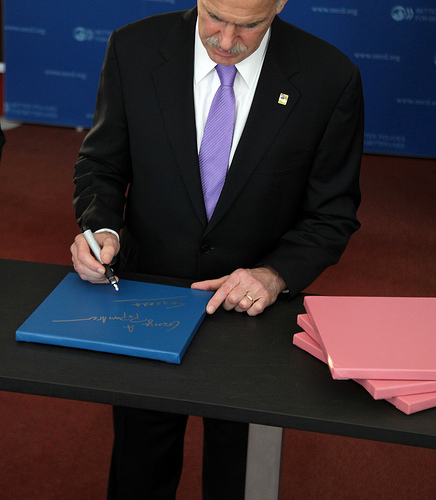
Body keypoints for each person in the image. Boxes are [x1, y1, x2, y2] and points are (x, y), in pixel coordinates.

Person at [71, 0, 364, 497]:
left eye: (249, 25)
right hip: (148, 294)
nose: (226, 41)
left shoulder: (329, 77)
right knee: (140, 465)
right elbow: (101, 165)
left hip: (253, 314)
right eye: (214, 17)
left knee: (241, 474)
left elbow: (332, 215)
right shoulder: (134, 48)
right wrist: (103, 230)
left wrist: (274, 274)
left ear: (280, 4)